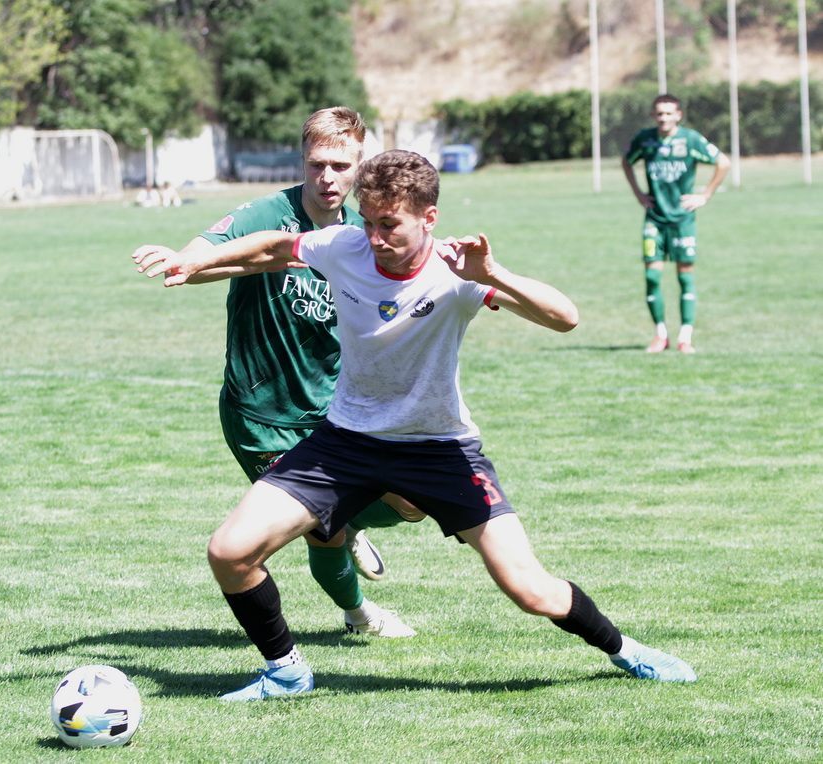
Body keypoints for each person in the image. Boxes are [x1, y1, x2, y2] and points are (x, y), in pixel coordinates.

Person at [134, 149, 698, 701]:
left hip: (439, 450)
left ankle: (625, 649)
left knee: (530, 591)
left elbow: (565, 318)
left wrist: (494, 274)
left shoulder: (457, 272)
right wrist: (196, 260)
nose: (375, 237)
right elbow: (277, 245)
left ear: (429, 218)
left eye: (389, 225)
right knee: (229, 551)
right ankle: (286, 671)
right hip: (344, 442)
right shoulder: (345, 245)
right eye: (368, 221)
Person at [145, 107, 421, 638]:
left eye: (341, 166)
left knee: (411, 501)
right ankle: (361, 615)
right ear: (302, 161)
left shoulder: (363, 232)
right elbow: (203, 256)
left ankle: (352, 519)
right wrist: (184, 259)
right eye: (317, 164)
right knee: (324, 528)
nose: (327, 177)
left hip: (337, 406)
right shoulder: (268, 213)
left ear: (360, 167)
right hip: (263, 415)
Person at [622, 94, 729, 354]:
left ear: (678, 115)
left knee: (685, 277)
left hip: (683, 219)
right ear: (653, 115)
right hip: (655, 218)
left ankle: (685, 337)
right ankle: (660, 335)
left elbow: (723, 162)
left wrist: (705, 195)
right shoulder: (644, 139)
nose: (664, 118)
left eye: (669, 113)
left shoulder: (690, 139)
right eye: (660, 113)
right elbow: (626, 161)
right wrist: (638, 194)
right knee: (652, 276)